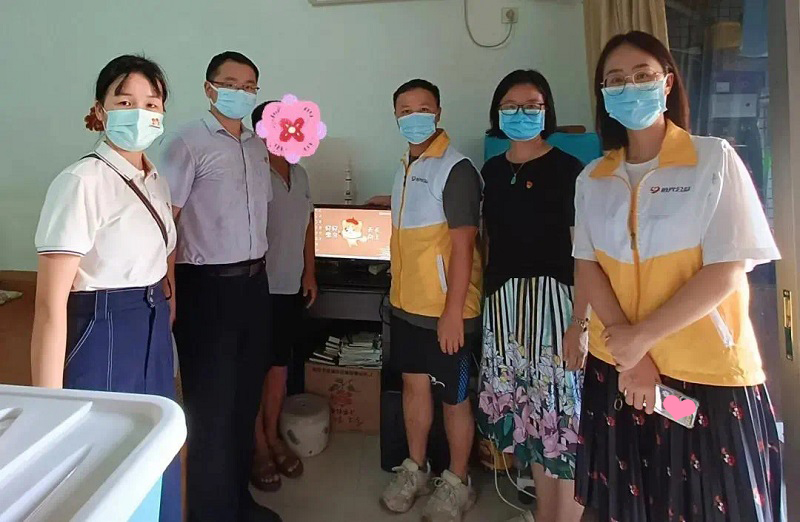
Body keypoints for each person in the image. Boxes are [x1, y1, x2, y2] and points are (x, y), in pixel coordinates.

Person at [573, 31, 783, 521]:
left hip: (704, 374)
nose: (629, 87)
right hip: (619, 371)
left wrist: (641, 339)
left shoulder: (713, 160)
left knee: (713, 503)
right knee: (625, 504)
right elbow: (587, 264)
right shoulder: (593, 179)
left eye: (642, 75)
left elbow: (727, 269)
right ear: (603, 94)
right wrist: (630, 353)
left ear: (667, 82)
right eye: (615, 80)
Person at [31, 54, 180, 521]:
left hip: (150, 326)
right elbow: (49, 308)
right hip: (102, 331)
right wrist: (48, 410)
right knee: (105, 467)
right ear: (100, 109)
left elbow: (162, 259)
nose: (140, 113)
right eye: (125, 100)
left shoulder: (155, 180)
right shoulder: (80, 181)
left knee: (156, 449)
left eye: (151, 103)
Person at [161, 52, 280, 522]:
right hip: (206, 289)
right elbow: (166, 221)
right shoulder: (186, 142)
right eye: (230, 83)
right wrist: (168, 289)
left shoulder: (256, 146)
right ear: (209, 88)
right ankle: (210, 513)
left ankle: (237, 502)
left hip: (253, 285)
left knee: (244, 399)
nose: (240, 92)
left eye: (249, 85)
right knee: (210, 406)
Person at [476, 70, 586, 522]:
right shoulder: (492, 170)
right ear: (497, 112)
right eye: (510, 106)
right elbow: (487, 240)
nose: (520, 114)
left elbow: (585, 254)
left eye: (531, 105)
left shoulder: (569, 170)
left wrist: (580, 324)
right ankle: (545, 514)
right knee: (533, 425)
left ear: (547, 111)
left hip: (555, 307)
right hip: (505, 308)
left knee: (565, 424)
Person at [373, 79, 483, 522]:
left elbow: (463, 246)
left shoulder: (456, 168)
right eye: (405, 109)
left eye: (423, 108)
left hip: (447, 313)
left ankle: (457, 481)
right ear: (395, 116)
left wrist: (453, 313)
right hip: (407, 306)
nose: (413, 116)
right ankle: (415, 469)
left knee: (454, 399)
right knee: (413, 388)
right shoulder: (405, 165)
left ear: (438, 113)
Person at [249, 101, 317, 492]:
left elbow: (308, 224)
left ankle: (273, 435)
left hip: (291, 285)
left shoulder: (301, 174)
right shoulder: (252, 173)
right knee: (254, 370)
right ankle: (258, 446)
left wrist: (310, 272)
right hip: (258, 288)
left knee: (279, 367)